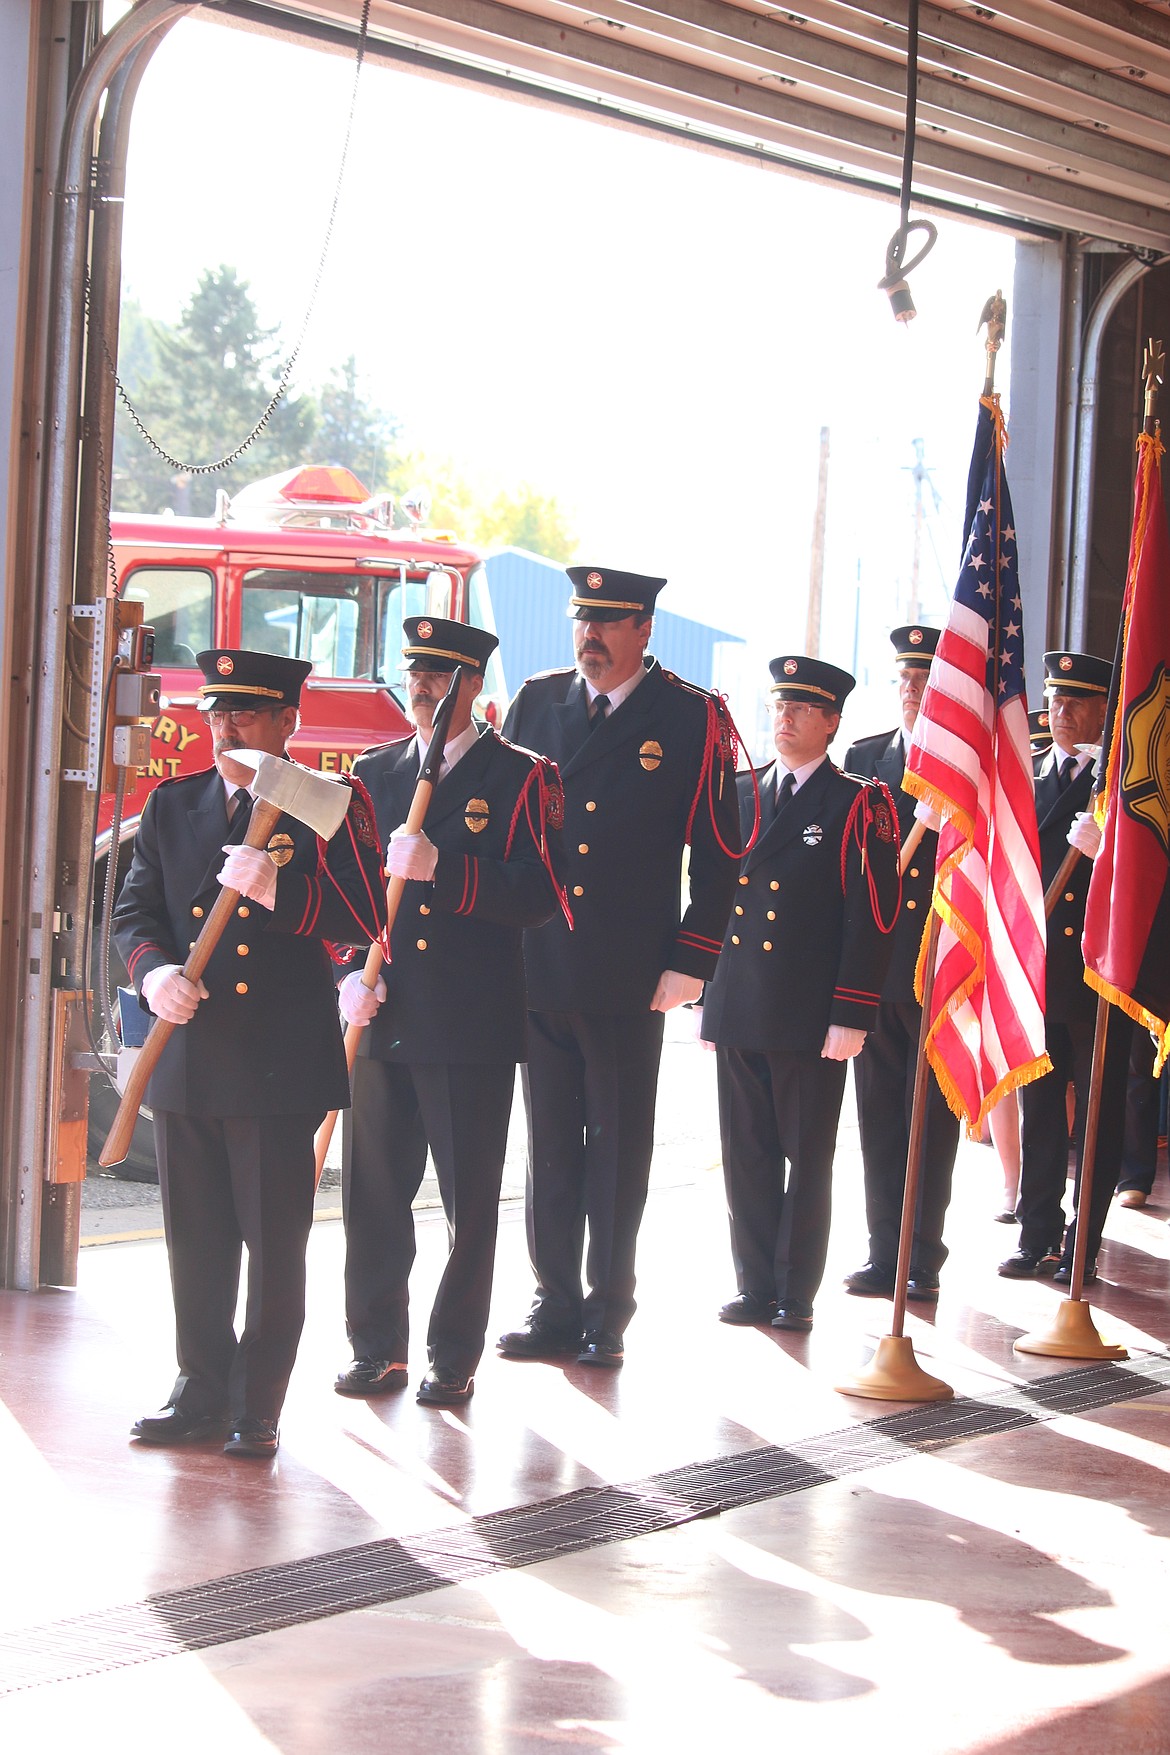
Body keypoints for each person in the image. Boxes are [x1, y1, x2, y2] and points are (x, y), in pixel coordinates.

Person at [114, 649, 385, 1458]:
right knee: (195, 1239)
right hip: (191, 1055)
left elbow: (368, 910)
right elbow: (133, 912)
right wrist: (154, 970)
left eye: (247, 714)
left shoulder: (329, 806)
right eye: (216, 712)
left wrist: (280, 888)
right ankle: (198, 1386)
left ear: (287, 722)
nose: (227, 728)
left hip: (276, 1061)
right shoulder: (174, 804)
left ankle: (256, 1399)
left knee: (272, 1245)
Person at [496, 566, 741, 1367]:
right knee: (552, 1146)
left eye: (606, 624)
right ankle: (553, 1301)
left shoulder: (691, 717)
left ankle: (607, 1309)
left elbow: (719, 852)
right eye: (581, 622)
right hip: (542, 963)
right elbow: (510, 828)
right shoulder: (538, 702)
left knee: (618, 1148)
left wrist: (693, 960)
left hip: (632, 970)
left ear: (644, 629)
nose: (589, 638)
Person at [334, 618, 565, 1406]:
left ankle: (452, 1354)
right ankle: (377, 1349)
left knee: (468, 1204)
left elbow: (542, 894)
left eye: (438, 674)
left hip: (468, 1022)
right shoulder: (373, 774)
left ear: (473, 684)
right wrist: (346, 975)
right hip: (385, 1012)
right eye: (415, 672)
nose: (422, 687)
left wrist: (445, 869)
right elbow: (344, 895)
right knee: (371, 1196)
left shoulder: (521, 776)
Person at [701, 655, 900, 1333]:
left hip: (810, 1011)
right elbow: (716, 897)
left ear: (832, 722)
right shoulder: (741, 788)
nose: (782, 720)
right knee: (747, 1153)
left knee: (806, 1157)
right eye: (778, 707)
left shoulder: (858, 802)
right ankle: (753, 1283)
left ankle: (793, 1291)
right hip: (741, 1001)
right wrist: (709, 990)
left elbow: (872, 914)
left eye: (800, 709)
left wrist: (852, 1010)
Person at [999, 650, 1133, 1285]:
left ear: (1106, 709)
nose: (1065, 711)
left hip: (1099, 972)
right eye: (1057, 699)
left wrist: (1112, 849)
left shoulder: (1124, 785)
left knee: (1099, 1110)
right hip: (1040, 968)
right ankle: (1035, 1234)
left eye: (1080, 700)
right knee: (1041, 1105)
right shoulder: (1027, 777)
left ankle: (1085, 1237)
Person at [840, 625, 960, 1304]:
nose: (912, 692)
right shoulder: (866, 758)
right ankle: (883, 1247)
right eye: (904, 680)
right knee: (878, 1111)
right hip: (879, 968)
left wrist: (954, 819)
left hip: (943, 966)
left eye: (924, 680)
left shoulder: (967, 775)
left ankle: (923, 1251)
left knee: (931, 1118)